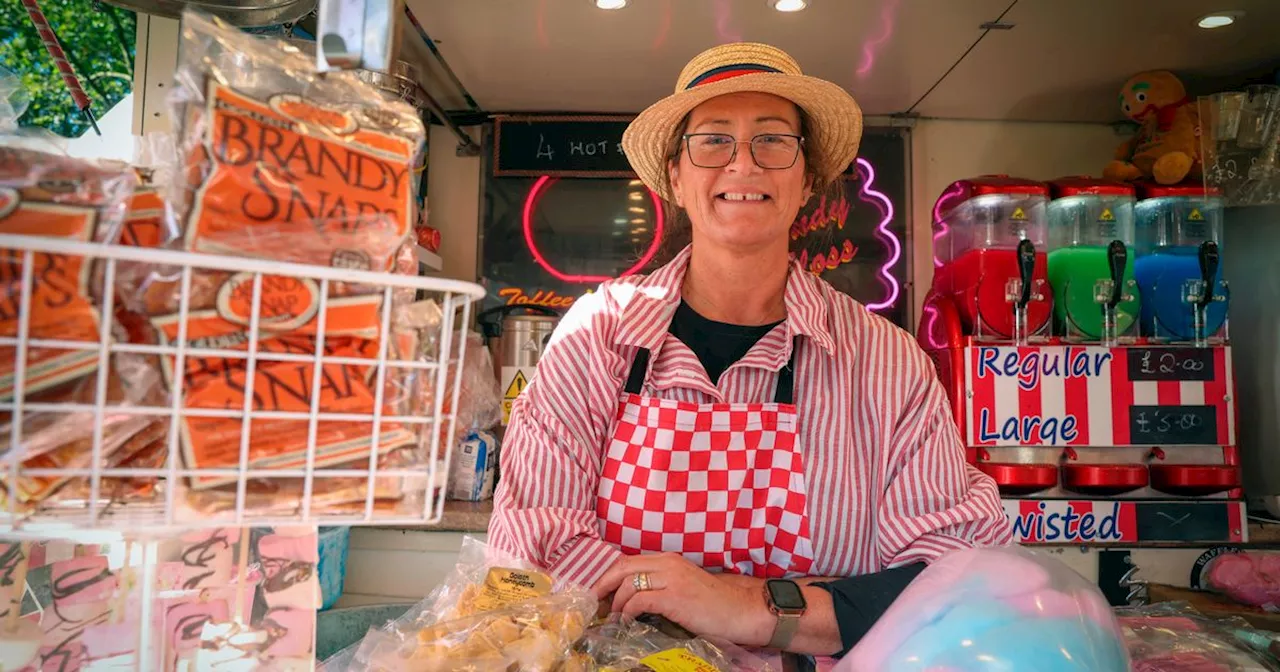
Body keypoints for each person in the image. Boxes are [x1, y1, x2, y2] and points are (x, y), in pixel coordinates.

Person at [488, 42, 1012, 662]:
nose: (743, 164)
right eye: (712, 140)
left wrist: (738, 605)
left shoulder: (887, 364)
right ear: (676, 178)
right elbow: (531, 547)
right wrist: (731, 617)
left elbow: (954, 578)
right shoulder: (597, 336)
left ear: (808, 179)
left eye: (773, 140)